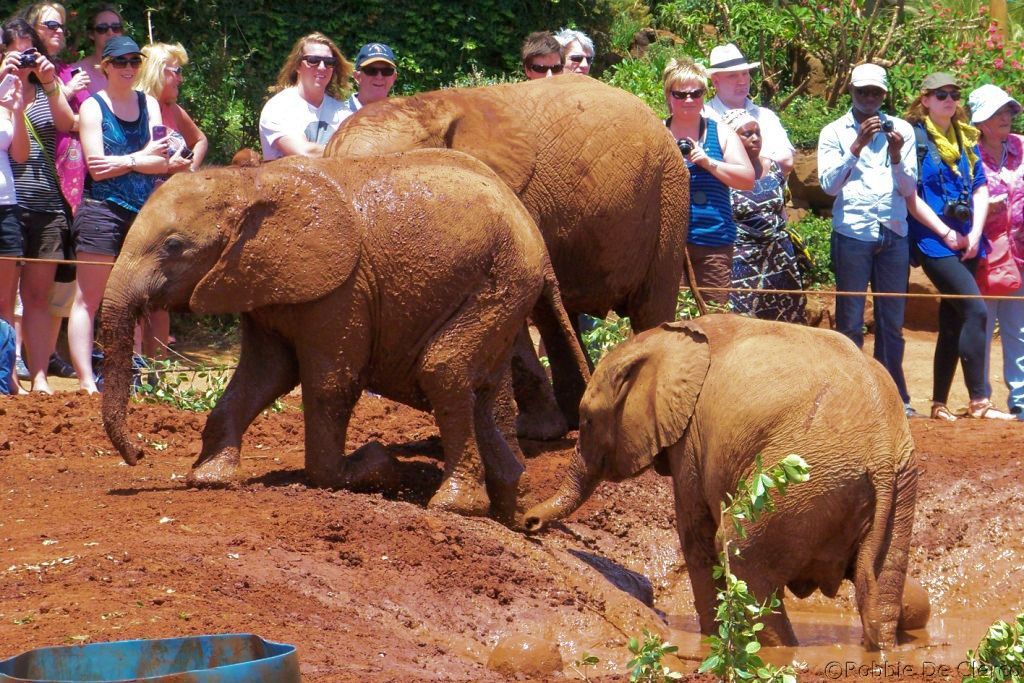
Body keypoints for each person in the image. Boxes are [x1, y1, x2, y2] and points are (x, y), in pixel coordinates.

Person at [69, 35, 189, 393]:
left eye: (134, 61)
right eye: (120, 61)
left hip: (141, 213)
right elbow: (96, 169)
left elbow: (160, 161)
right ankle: (86, 381)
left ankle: (131, 377)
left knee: (136, 298)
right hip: (100, 211)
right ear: (105, 66)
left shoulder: (148, 103)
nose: (128, 68)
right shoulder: (93, 107)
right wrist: (139, 159)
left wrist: (127, 161)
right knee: (88, 300)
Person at [905, 72, 1014, 420]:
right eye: (941, 94)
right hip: (933, 240)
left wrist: (976, 232)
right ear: (925, 100)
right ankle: (980, 400)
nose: (949, 100)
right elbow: (910, 195)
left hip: (967, 238)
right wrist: (945, 233)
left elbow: (980, 186)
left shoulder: (966, 138)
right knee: (976, 311)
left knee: (952, 319)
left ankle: (939, 403)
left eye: (954, 94)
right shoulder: (915, 138)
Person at [817, 63, 917, 416]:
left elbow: (908, 188)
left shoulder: (902, 130)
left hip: (893, 231)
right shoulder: (833, 131)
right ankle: (851, 397)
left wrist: (895, 155)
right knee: (850, 320)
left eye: (876, 92)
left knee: (892, 323)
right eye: (863, 91)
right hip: (853, 233)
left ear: (885, 95)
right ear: (851, 91)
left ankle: (892, 398)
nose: (869, 98)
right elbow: (829, 186)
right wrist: (856, 145)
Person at [2, 18, 74, 394]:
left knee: (37, 298)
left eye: (29, 52)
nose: (24, 60)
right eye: (15, 53)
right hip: (9, 204)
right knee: (4, 298)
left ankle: (41, 375)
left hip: (46, 203)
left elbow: (68, 122)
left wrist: (49, 81)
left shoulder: (47, 88)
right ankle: (9, 375)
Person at [135, 41, 208, 359]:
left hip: (169, 213)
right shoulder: (136, 107)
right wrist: (165, 166)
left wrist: (189, 170)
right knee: (137, 292)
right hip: (138, 209)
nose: (180, 78)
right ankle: (134, 365)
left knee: (161, 295)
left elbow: (200, 139)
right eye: (175, 71)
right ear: (156, 71)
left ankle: (157, 369)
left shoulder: (175, 111)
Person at [662, 56, 754, 306]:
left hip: (714, 243)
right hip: (668, 246)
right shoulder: (658, 132)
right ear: (669, 96)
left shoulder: (721, 132)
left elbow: (747, 179)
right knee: (671, 317)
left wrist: (708, 163)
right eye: (680, 94)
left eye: (696, 93)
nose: (688, 100)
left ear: (704, 94)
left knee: (713, 317)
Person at [969, 84, 1024, 419]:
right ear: (981, 121)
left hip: (1021, 254)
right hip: (986, 256)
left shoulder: (1022, 146)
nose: (1005, 117)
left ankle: (1021, 400)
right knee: (983, 327)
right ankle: (982, 399)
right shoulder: (970, 155)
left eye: (1008, 111)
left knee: (1020, 330)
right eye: (997, 113)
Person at [723, 108, 805, 323]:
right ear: (731, 139)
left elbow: (781, 211)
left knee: (786, 323)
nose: (755, 138)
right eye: (747, 134)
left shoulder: (775, 168)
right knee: (743, 324)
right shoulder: (723, 173)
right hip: (741, 260)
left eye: (757, 132)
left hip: (780, 259)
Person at [259, 32, 352, 161]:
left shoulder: (343, 113)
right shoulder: (278, 108)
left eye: (329, 62)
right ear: (297, 66)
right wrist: (349, 151)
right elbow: (303, 153)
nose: (322, 67)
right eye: (313, 61)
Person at [704, 43, 795, 176]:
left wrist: (729, 164)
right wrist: (764, 160)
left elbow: (786, 161)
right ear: (715, 81)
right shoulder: (705, 117)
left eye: (745, 73)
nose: (742, 81)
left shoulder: (766, 116)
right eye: (732, 75)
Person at [0, 47, 30, 392]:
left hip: (7, 206)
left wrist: (18, 110)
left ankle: (7, 376)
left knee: (6, 300)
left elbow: (21, 154)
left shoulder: (7, 97)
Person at [70, 4, 125, 98]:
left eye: (116, 27)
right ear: (91, 34)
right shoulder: (77, 71)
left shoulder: (134, 68)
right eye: (102, 28)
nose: (110, 32)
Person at [344, 42, 397, 113]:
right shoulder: (337, 115)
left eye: (387, 71)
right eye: (371, 71)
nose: (379, 77)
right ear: (357, 76)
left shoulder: (402, 117)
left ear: (394, 77)